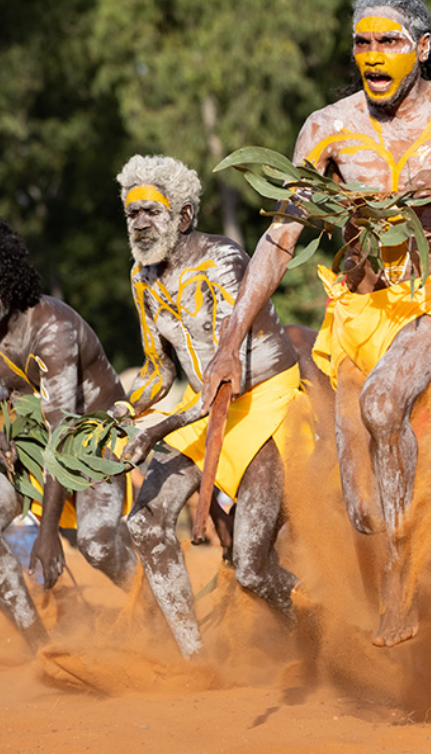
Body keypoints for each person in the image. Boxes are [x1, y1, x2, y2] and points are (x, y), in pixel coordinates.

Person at [201, 0, 431, 647]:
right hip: (355, 311)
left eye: (390, 41)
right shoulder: (327, 126)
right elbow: (280, 236)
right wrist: (230, 339)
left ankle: (400, 596)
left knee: (384, 402)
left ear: (422, 49)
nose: (374, 56)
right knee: (364, 511)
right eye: (363, 43)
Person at [115, 154, 305, 660]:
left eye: (150, 211)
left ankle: (319, 628)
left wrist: (156, 432)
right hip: (205, 410)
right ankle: (195, 658)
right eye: (131, 213)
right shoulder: (141, 279)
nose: (139, 223)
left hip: (262, 403)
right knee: (143, 521)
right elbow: (159, 372)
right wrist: (122, 411)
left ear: (183, 215)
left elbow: (229, 376)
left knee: (251, 567)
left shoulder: (222, 259)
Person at [0, 220, 137, 650]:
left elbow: (62, 435)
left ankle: (155, 607)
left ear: (10, 283)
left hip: (90, 439)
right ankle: (38, 645)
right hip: (27, 439)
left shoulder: (52, 328)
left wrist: (47, 534)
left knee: (98, 546)